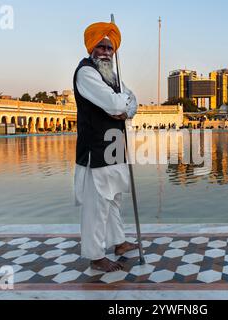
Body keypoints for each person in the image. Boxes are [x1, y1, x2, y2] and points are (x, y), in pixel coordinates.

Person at [73, 21, 139, 272]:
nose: (105, 52)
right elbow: (115, 105)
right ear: (92, 48)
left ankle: (118, 242)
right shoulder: (87, 73)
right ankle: (95, 255)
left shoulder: (112, 76)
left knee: (113, 200)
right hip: (96, 150)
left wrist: (123, 108)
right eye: (101, 47)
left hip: (113, 149)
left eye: (109, 49)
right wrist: (119, 107)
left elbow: (132, 103)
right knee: (97, 205)